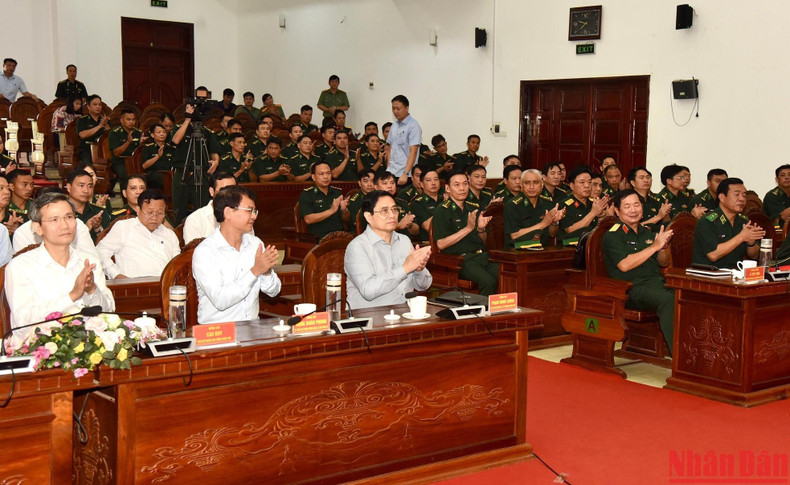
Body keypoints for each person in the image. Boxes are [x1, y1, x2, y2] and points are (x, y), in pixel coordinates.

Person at [5, 192, 114, 329]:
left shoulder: (88, 261)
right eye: (54, 220)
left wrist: (92, 290)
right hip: (41, 347)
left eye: (69, 217)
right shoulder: (20, 267)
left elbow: (109, 312)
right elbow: (23, 322)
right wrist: (72, 296)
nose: (64, 226)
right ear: (38, 228)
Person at [192, 185, 281, 324]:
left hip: (252, 328)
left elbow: (273, 291)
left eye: (255, 211)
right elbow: (220, 300)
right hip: (218, 333)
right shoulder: (205, 251)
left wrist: (266, 271)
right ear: (228, 213)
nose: (254, 216)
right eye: (249, 211)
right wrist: (255, 270)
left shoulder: (255, 244)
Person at [603, 189, 675, 352]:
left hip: (655, 283)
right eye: (627, 206)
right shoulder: (613, 235)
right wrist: (654, 246)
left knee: (687, 296)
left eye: (636, 205)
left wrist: (662, 248)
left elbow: (663, 263)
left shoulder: (646, 232)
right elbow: (624, 265)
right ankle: (679, 357)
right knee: (668, 300)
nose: (633, 210)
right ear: (617, 211)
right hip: (631, 289)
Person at [344, 190, 432, 308]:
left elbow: (424, 285)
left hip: (404, 313)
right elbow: (368, 290)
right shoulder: (357, 247)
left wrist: (419, 269)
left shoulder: (404, 241)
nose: (392, 215)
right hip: (369, 318)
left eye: (394, 209)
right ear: (368, 216)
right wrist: (405, 268)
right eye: (384, 211)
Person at [432, 170, 498, 295]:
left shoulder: (472, 207)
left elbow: (482, 240)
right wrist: (467, 229)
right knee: (488, 282)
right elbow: (441, 244)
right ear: (448, 188)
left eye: (465, 184)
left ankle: (502, 312)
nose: (462, 188)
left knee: (506, 275)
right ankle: (483, 313)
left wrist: (480, 229)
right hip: (463, 260)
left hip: (482, 256)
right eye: (457, 185)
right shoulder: (442, 211)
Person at [96, 189, 180, 279]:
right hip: (133, 286)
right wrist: (115, 274)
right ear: (138, 210)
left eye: (159, 213)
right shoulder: (124, 227)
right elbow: (100, 251)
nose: (154, 217)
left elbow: (177, 263)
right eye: (149, 212)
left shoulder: (169, 234)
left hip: (166, 285)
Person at [692, 178, 766, 269]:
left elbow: (754, 256)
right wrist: (742, 237)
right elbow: (713, 255)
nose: (742, 199)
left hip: (735, 273)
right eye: (737, 194)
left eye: (744, 195)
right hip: (709, 274)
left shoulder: (743, 221)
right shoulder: (707, 221)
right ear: (722, 197)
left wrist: (751, 243)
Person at [170, 103, 221, 224]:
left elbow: (214, 151)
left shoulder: (206, 131)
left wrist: (216, 161)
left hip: (201, 173)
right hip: (183, 172)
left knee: (202, 208)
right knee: (179, 208)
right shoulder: (179, 128)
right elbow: (176, 140)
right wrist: (187, 120)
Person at [504, 169, 563, 248]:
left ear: (542, 184)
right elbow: (515, 235)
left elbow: (552, 234)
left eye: (535, 182)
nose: (531, 187)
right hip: (518, 251)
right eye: (527, 183)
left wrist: (554, 223)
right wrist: (542, 224)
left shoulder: (547, 202)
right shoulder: (512, 205)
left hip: (543, 249)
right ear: (521, 185)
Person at [183, 172, 240, 245]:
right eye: (223, 191)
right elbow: (193, 253)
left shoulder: (243, 216)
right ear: (212, 191)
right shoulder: (196, 220)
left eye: (233, 190)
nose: (229, 195)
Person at [558, 165, 608, 245]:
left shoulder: (592, 204)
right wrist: (593, 213)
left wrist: (602, 217)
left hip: (591, 246)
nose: (587, 186)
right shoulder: (564, 205)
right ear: (572, 186)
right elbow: (570, 230)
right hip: (570, 249)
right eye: (582, 182)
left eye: (589, 182)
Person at [298, 161, 346, 240]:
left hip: (339, 235)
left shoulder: (337, 192)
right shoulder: (307, 194)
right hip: (318, 238)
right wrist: (331, 211)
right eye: (321, 174)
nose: (325, 177)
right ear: (313, 177)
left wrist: (344, 211)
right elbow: (308, 219)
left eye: (328, 173)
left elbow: (346, 219)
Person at [386, 95, 421, 186]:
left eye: (398, 109)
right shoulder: (394, 126)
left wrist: (406, 173)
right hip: (392, 172)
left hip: (405, 174)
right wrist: (388, 168)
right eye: (393, 109)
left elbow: (413, 152)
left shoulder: (413, 126)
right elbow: (389, 149)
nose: (395, 111)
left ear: (407, 108)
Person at [109, 109, 147, 191]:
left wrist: (141, 144)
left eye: (133, 119)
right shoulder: (115, 133)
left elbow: (140, 151)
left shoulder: (138, 132)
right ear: (122, 120)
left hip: (135, 161)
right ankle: (126, 198)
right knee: (125, 174)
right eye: (128, 119)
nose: (131, 122)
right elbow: (116, 153)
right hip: (120, 161)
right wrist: (128, 142)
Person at [65, 169, 108, 241]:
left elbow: (109, 243)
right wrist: (86, 228)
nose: (86, 190)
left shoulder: (99, 212)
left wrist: (97, 228)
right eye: (81, 185)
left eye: (90, 186)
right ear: (69, 187)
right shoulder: (60, 213)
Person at [410, 166, 442, 241]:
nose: (433, 183)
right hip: (430, 243)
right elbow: (428, 226)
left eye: (436, 179)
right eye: (428, 180)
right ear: (421, 184)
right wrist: (444, 205)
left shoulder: (445, 199)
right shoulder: (418, 203)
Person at [76, 95, 109, 164]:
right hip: (87, 149)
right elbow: (82, 135)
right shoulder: (82, 120)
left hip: (103, 149)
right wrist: (100, 126)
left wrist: (106, 125)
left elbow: (111, 135)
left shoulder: (105, 120)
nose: (98, 107)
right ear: (88, 107)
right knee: (90, 165)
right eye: (95, 104)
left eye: (100, 105)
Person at [140, 123, 174, 190]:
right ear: (152, 135)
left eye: (164, 132)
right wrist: (158, 156)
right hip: (154, 174)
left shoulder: (171, 148)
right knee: (164, 178)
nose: (162, 134)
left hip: (169, 174)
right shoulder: (148, 148)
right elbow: (144, 165)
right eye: (159, 132)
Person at [763, 164, 790, 229]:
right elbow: (784, 216)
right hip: (777, 232)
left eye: (789, 175)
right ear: (777, 179)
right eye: (783, 175)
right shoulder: (771, 196)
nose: (787, 177)